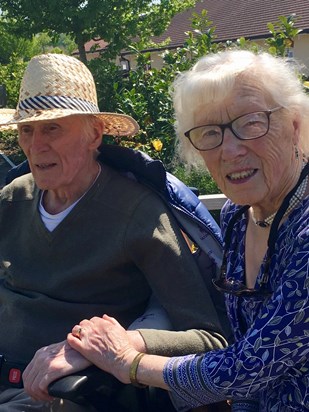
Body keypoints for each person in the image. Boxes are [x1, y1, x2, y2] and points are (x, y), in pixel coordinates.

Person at [58, 49, 308, 411]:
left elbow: (246, 368)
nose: (231, 150)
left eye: (252, 122)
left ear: (296, 124)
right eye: (210, 133)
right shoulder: (240, 215)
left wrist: (127, 361)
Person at [0, 53, 228, 411]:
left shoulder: (138, 214)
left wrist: (109, 346)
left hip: (60, 394)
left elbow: (209, 338)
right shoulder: (13, 198)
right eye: (27, 130)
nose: (35, 145)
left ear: (95, 134)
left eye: (52, 128)